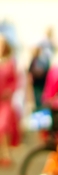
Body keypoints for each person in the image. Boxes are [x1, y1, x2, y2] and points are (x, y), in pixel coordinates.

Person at [0, 37, 20, 167]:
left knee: (3, 126)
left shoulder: (10, 62)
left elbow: (15, 81)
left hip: (5, 101)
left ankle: (6, 154)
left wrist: (9, 91)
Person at [27, 46, 48, 112]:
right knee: (38, 98)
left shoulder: (39, 60)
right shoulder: (39, 60)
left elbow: (30, 71)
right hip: (39, 83)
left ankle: (39, 110)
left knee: (39, 98)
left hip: (39, 83)